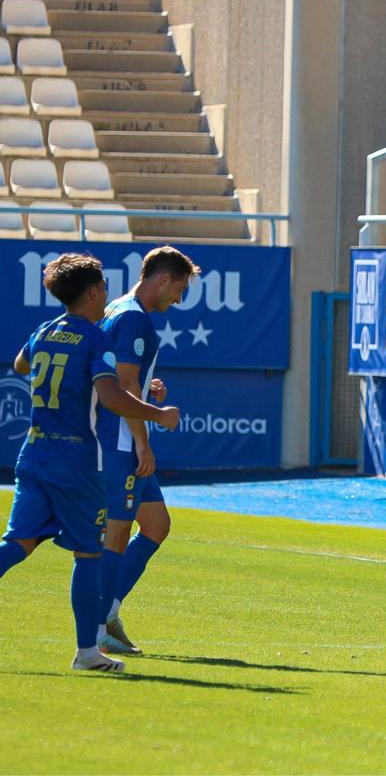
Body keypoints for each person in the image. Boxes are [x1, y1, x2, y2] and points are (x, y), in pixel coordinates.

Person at [0, 254, 179, 672]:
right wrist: (158, 415)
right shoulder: (95, 339)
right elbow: (114, 396)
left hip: (34, 453)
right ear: (95, 291)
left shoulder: (45, 330)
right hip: (76, 459)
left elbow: (21, 364)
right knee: (88, 553)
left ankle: (92, 645)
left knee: (18, 544)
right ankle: (87, 652)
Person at [94, 246, 200, 656]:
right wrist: (145, 436)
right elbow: (121, 386)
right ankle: (96, 623)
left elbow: (122, 376)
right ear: (163, 279)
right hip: (120, 440)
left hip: (118, 433)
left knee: (155, 525)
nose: (178, 299)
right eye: (179, 289)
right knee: (116, 533)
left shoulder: (118, 307)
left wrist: (146, 387)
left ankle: (110, 612)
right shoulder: (135, 318)